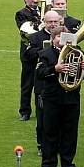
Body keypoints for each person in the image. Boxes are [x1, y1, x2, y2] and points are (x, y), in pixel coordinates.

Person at [36, 27, 84, 167]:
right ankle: (48, 164)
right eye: (59, 37)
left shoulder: (77, 52)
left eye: (66, 37)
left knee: (70, 132)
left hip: (71, 98)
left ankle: (68, 163)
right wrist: (55, 69)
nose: (63, 40)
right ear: (53, 39)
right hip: (52, 98)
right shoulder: (45, 54)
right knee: (50, 131)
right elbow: (39, 73)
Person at [25, 10, 63, 155]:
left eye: (55, 22)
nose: (53, 24)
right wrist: (45, 51)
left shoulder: (65, 36)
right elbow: (28, 54)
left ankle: (58, 143)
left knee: (60, 117)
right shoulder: (35, 37)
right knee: (42, 116)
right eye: (50, 22)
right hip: (43, 84)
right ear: (44, 22)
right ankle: (42, 144)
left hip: (61, 84)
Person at [15, 0, 43, 121]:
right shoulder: (21, 13)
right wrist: (42, 21)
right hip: (28, 53)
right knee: (27, 84)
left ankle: (41, 109)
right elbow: (27, 30)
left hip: (42, 52)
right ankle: (25, 111)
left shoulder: (44, 11)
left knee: (42, 83)